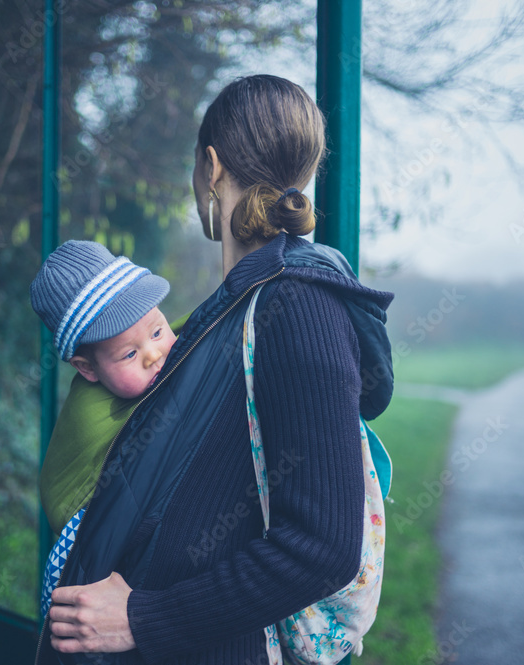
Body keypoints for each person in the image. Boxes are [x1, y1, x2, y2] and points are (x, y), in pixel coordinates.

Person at [38, 74, 395, 665]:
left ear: (210, 167)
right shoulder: (239, 305)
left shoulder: (297, 307)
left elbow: (322, 549)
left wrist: (143, 617)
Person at [30, 239, 180, 616]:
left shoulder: (163, 354)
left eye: (158, 331)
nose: (153, 354)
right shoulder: (89, 415)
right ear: (88, 368)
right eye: (129, 354)